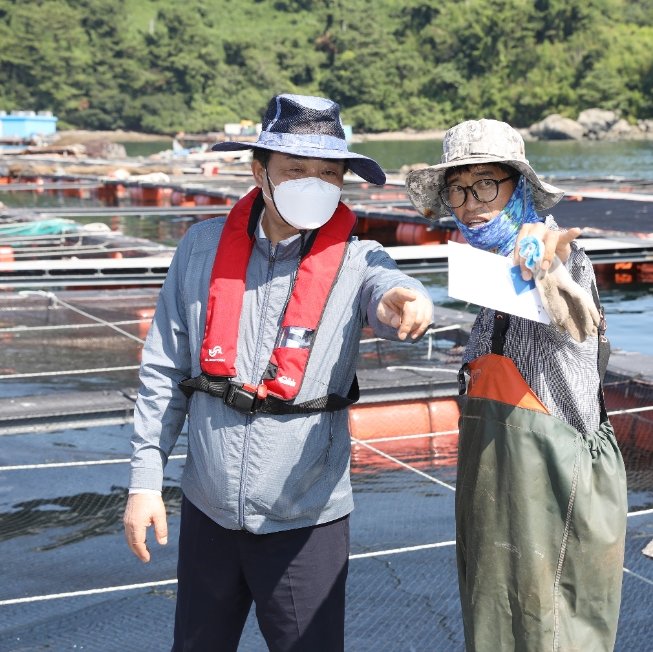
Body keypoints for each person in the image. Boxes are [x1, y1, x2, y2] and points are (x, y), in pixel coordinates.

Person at [124, 94, 433, 652]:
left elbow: (388, 290)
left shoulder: (359, 260)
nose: (312, 183)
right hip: (207, 509)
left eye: (329, 173)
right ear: (258, 170)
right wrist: (146, 481)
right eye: (295, 170)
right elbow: (162, 371)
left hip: (306, 520)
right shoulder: (198, 249)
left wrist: (406, 302)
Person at [406, 119, 627, 652]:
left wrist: (549, 266)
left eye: (487, 184)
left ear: (519, 187)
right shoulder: (489, 280)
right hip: (494, 499)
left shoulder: (557, 254)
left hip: (558, 494)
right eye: (458, 189)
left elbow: (570, 307)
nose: (471, 201)